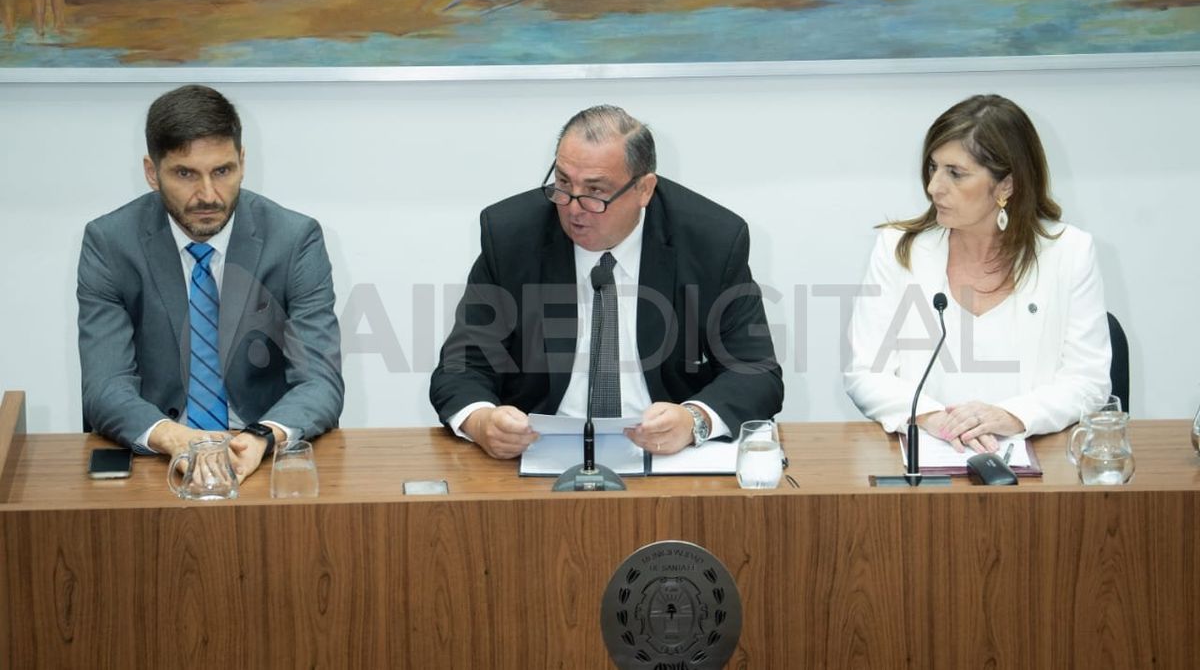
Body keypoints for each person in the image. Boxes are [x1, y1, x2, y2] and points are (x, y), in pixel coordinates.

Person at [430, 105, 783, 459]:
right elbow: (463, 365)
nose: (572, 207)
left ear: (644, 189)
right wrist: (482, 422)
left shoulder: (711, 240)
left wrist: (694, 421)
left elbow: (755, 372)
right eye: (563, 183)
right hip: (539, 452)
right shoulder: (511, 235)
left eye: (595, 192)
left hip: (666, 455)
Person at [78, 84, 344, 480]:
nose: (208, 195)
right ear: (152, 172)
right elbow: (105, 386)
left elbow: (319, 382)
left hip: (258, 455)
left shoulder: (294, 239)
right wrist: (174, 438)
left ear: (242, 161)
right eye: (185, 174)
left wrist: (259, 438)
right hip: (158, 460)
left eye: (222, 171)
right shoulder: (110, 243)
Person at [844, 94, 1111, 453]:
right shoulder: (898, 249)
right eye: (933, 168)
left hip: (1039, 469)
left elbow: (1088, 381)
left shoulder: (1069, 252)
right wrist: (937, 419)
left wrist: (1010, 415)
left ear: (1006, 185)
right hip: (926, 462)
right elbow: (866, 374)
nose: (934, 187)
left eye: (955, 173)